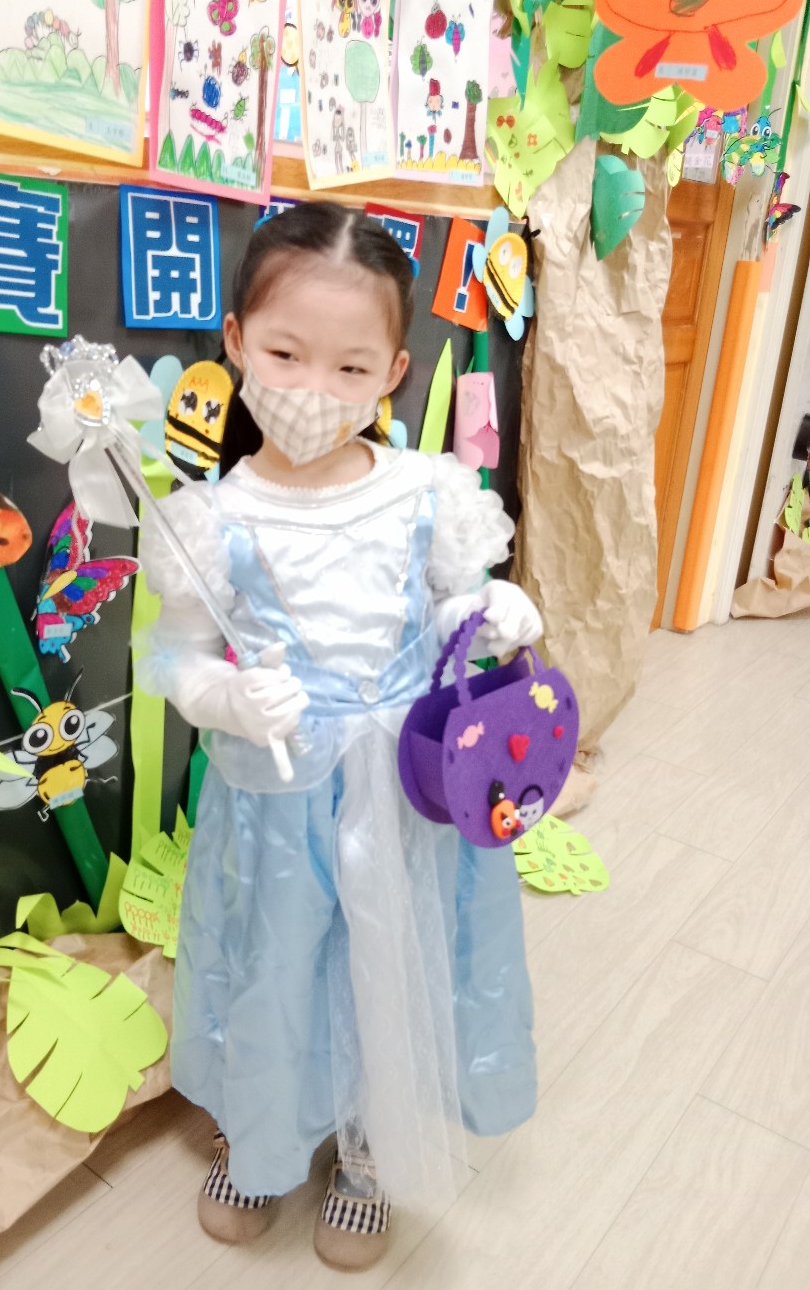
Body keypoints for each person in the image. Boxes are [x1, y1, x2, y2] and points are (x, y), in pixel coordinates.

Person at [141, 202, 539, 1271]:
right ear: (237, 342)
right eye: (285, 354)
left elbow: (446, 612)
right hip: (274, 799)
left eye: (352, 367)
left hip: (404, 790)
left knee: (384, 961)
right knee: (273, 964)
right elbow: (176, 659)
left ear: (394, 372)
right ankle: (259, 1132)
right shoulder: (209, 521)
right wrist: (225, 699)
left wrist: (487, 615)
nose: (314, 389)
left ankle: (368, 1151)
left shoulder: (426, 493)